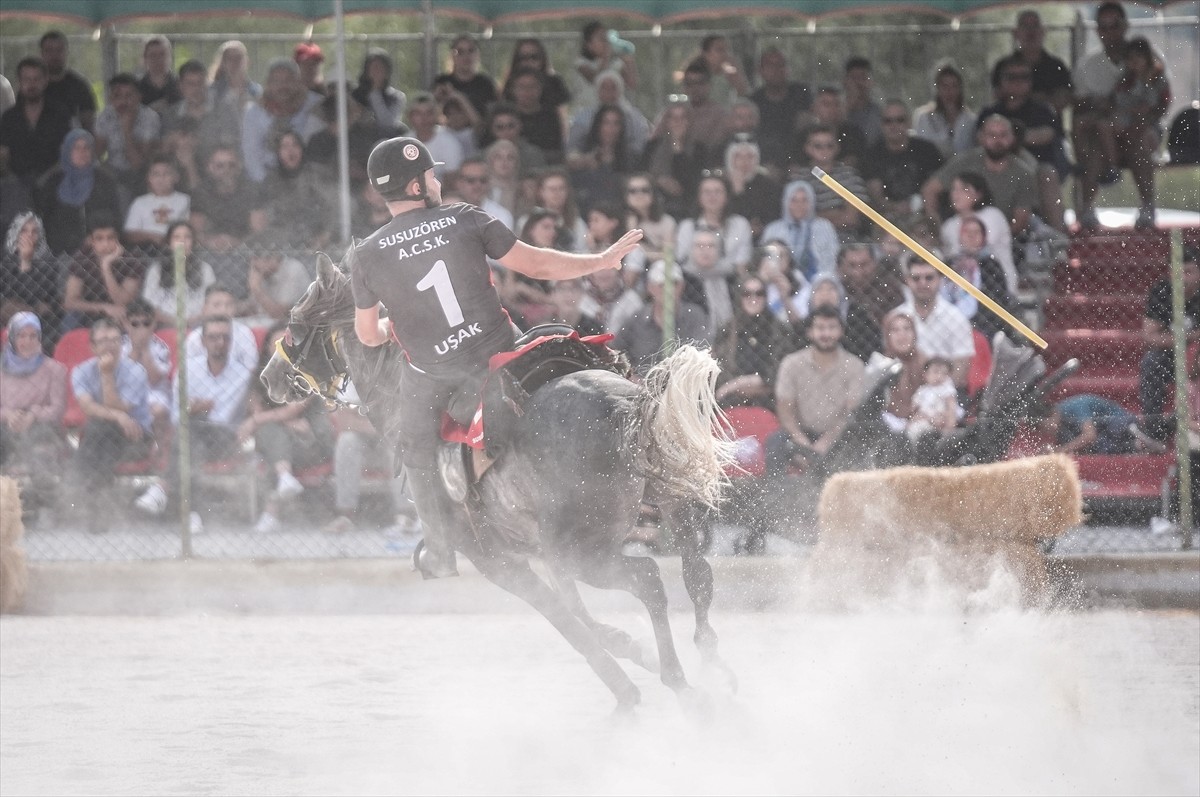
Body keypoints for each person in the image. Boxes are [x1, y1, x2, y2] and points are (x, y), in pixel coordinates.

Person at [351, 136, 644, 579]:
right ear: (415, 187)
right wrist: (600, 260)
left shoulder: (366, 254)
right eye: (430, 176)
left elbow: (367, 335)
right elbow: (536, 265)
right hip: (502, 351)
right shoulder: (464, 217)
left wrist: (394, 325)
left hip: (436, 376)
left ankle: (440, 552)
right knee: (561, 359)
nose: (436, 182)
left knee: (415, 447)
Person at [135, 314, 254, 534]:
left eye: (225, 337)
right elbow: (176, 416)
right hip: (193, 435)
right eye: (213, 337)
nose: (220, 342)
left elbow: (236, 416)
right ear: (203, 341)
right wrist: (193, 409)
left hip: (225, 438)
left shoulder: (244, 374)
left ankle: (163, 489)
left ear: (231, 341)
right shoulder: (188, 370)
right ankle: (193, 515)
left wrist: (197, 412)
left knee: (189, 436)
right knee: (191, 445)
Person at [241, 322, 335, 534]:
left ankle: (271, 512)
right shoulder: (260, 377)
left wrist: (259, 421)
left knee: (270, 441)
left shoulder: (310, 374)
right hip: (284, 441)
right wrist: (281, 422)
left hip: (312, 443)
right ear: (267, 348)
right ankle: (284, 478)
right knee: (271, 437)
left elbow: (291, 410)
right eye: (275, 344)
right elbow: (257, 410)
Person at [69, 316, 153, 533]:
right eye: (103, 341)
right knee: (101, 429)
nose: (110, 346)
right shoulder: (81, 371)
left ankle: (82, 491)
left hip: (135, 436)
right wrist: (117, 416)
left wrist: (106, 374)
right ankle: (99, 502)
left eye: (114, 340)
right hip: (104, 437)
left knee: (98, 429)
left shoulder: (136, 371)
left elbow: (118, 406)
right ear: (92, 347)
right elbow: (87, 407)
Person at [765, 304, 866, 476]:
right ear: (810, 332)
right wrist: (802, 443)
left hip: (839, 436)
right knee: (775, 443)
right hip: (800, 434)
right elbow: (784, 409)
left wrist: (826, 442)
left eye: (832, 327)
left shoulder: (854, 365)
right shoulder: (791, 363)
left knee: (860, 442)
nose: (826, 334)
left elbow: (851, 411)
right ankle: (776, 491)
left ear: (841, 331)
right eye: (820, 328)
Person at [978, 55, 1067, 230]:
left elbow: (1048, 134)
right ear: (1000, 81)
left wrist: (1012, 138)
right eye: (1011, 77)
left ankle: (1058, 238)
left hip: (1035, 174)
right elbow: (979, 139)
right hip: (996, 171)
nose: (1018, 82)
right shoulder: (989, 112)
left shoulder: (1043, 111)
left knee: (1048, 174)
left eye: (1024, 77)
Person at [921, 114, 1038, 238]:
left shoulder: (1024, 174)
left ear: (1012, 138)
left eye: (1003, 135)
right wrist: (936, 229)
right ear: (981, 137)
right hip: (959, 236)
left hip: (1002, 239)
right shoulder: (965, 162)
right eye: (992, 135)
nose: (997, 140)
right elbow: (929, 190)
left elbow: (1020, 221)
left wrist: (988, 240)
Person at [1104, 36, 1172, 230]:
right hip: (1123, 130)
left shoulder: (1158, 79)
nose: (1134, 62)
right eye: (1130, 58)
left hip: (1148, 130)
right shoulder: (1124, 80)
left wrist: (1139, 116)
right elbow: (1117, 104)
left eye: (1138, 57)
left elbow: (1155, 107)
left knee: (1140, 146)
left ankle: (1148, 204)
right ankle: (1111, 168)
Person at [0, 313, 68, 500]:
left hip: (42, 424)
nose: (27, 342)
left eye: (33, 336)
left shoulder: (54, 369)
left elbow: (58, 408)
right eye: (21, 336)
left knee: (40, 438)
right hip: (6, 423)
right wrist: (9, 415)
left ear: (39, 338)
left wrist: (33, 415)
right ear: (12, 338)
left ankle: (45, 500)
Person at [1139, 245, 1200, 442]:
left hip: (1198, 356)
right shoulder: (1162, 291)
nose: (1183, 278)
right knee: (1151, 362)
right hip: (1171, 356)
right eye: (1178, 272)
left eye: (1188, 272)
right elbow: (1150, 337)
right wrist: (1191, 336)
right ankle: (1154, 430)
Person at [712, 275, 799, 410]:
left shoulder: (780, 330)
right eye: (747, 294)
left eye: (759, 293)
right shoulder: (727, 331)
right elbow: (719, 368)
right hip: (731, 400)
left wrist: (739, 383)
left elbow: (782, 371)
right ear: (739, 297)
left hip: (770, 399)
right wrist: (736, 387)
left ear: (766, 297)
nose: (753, 299)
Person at [33, 129, 123, 258]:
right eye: (76, 148)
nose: (82, 152)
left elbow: (115, 218)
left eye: (86, 148)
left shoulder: (105, 181)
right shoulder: (52, 183)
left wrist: (94, 238)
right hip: (58, 253)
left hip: (98, 252)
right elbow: (43, 219)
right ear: (67, 151)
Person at [612, 259, 711, 375]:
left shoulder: (694, 316)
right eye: (662, 285)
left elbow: (703, 353)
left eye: (674, 283)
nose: (669, 289)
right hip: (642, 384)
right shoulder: (637, 320)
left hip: (683, 381)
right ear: (650, 287)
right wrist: (630, 376)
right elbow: (616, 352)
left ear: (682, 286)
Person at [894, 256, 975, 389]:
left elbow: (961, 365)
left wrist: (937, 394)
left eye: (929, 278)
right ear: (907, 280)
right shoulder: (896, 317)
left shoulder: (956, 317)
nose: (922, 283)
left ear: (940, 279)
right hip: (906, 390)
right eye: (916, 278)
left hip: (946, 392)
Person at [862, 99, 944, 230]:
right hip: (888, 219)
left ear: (909, 123)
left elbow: (939, 188)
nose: (894, 125)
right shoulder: (872, 154)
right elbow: (876, 196)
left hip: (924, 216)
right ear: (881, 124)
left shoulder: (927, 150)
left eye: (900, 120)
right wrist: (896, 207)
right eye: (888, 121)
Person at [241, 59, 323, 184]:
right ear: (268, 83)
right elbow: (251, 156)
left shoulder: (315, 104)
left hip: (308, 179)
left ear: (298, 81)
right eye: (277, 81)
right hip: (268, 180)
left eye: (288, 80)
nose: (283, 86)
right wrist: (265, 184)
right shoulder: (254, 112)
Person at [0, 56, 74, 190]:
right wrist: (12, 180)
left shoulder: (60, 114)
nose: (31, 84)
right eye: (27, 79)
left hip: (54, 182)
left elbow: (67, 153)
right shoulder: (9, 118)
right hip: (16, 184)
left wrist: (47, 178)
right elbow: (3, 156)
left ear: (45, 81)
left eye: (36, 79)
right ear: (19, 82)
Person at [60, 215, 143, 333]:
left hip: (121, 312)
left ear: (118, 238)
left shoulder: (131, 259)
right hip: (90, 311)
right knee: (70, 320)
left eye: (110, 238)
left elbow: (121, 301)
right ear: (91, 241)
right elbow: (70, 301)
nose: (105, 244)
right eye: (99, 239)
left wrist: (106, 267)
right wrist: (104, 307)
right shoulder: (83, 257)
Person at [938, 171, 1017, 293]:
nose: (956, 194)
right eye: (954, 189)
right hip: (961, 289)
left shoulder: (992, 215)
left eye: (964, 189)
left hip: (996, 283)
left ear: (978, 194)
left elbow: (977, 248)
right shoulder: (949, 225)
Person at [942, 216, 1015, 342]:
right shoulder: (950, 264)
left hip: (983, 327)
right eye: (967, 232)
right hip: (951, 324)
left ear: (984, 237)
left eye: (976, 232)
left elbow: (998, 302)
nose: (971, 236)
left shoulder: (991, 266)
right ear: (960, 236)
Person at [259, 130, 332, 250]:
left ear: (302, 149)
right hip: (279, 246)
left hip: (317, 244)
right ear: (278, 152)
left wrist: (326, 234)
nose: (291, 150)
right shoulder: (270, 181)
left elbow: (334, 207)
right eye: (285, 146)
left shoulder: (315, 175)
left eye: (295, 145)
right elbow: (263, 218)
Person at [795, 124, 868, 239]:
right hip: (808, 240)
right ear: (807, 148)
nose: (824, 150)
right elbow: (797, 218)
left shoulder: (850, 175)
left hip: (845, 242)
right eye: (818, 146)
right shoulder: (798, 178)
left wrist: (815, 216)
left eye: (829, 145)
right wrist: (837, 213)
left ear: (837, 147)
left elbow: (851, 219)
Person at [675, 171, 753, 278]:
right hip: (692, 281)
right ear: (699, 198)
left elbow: (742, 265)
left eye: (718, 192)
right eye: (707, 192)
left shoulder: (740, 225)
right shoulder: (687, 227)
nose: (712, 196)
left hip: (729, 281)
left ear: (727, 197)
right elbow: (681, 260)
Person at [638, 99, 708, 220]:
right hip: (656, 206)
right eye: (673, 118)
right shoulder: (653, 146)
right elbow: (641, 173)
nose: (677, 122)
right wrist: (659, 181)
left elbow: (694, 180)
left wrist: (677, 148)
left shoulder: (699, 149)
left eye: (682, 118)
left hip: (688, 208)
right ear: (667, 121)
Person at [760, 181, 839, 282]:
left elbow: (831, 261)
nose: (799, 205)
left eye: (804, 200)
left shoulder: (824, 227)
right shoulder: (773, 229)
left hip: (819, 282)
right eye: (794, 200)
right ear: (786, 202)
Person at [750, 47, 810, 179]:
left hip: (799, 163)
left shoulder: (801, 94)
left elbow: (806, 131)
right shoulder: (754, 100)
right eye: (770, 65)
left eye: (780, 65)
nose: (776, 70)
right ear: (760, 70)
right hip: (765, 163)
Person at [565, 69, 649, 164]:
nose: (608, 92)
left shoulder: (634, 117)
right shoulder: (584, 117)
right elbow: (572, 148)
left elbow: (640, 146)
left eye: (613, 88)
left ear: (620, 90)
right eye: (604, 88)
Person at [141, 221, 215, 327]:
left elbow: (213, 302)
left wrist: (193, 321)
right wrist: (175, 322)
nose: (182, 241)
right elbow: (148, 305)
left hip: (198, 325)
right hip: (164, 326)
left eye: (187, 237)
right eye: (177, 237)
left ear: (193, 242)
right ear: (169, 243)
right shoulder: (156, 270)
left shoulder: (205, 269)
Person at [1038, 393, 1164, 455]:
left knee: (1114, 430)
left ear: (1052, 414)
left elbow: (1090, 435)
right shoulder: (1061, 421)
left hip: (1119, 421)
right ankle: (1136, 445)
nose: (1049, 431)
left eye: (1047, 427)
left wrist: (1061, 450)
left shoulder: (1075, 406)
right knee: (1102, 447)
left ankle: (1140, 435)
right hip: (1103, 434)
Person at [0, 212, 61, 338]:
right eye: (24, 231)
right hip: (10, 315)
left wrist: (26, 262)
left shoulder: (49, 262)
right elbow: (9, 295)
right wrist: (24, 261)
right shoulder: (6, 262)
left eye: (34, 231)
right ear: (16, 234)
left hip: (43, 320)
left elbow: (39, 296)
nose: (29, 235)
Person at [1002, 9, 1073, 115]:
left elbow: (1064, 100)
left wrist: (1022, 98)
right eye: (1025, 26)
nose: (1031, 31)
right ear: (1015, 33)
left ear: (1043, 31)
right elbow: (999, 97)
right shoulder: (1003, 66)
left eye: (1035, 25)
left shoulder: (1057, 66)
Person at [120, 297, 172, 441]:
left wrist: (144, 349)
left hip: (154, 393)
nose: (141, 328)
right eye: (135, 324)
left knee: (159, 410)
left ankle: (157, 445)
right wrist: (135, 349)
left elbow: (154, 379)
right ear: (126, 323)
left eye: (146, 323)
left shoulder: (160, 347)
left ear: (154, 323)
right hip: (125, 393)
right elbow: (122, 378)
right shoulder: (120, 345)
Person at [241, 232, 311, 325]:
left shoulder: (293, 270)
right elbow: (252, 308)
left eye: (256, 258)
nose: (253, 264)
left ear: (274, 258)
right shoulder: (260, 272)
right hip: (265, 322)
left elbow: (279, 314)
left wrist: (256, 289)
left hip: (295, 325)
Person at [913, 62, 978, 160]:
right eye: (945, 86)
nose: (949, 91)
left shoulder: (970, 120)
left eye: (954, 86)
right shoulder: (924, 118)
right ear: (937, 89)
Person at [184, 284, 258, 370]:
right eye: (217, 305)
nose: (223, 310)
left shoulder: (244, 333)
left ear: (235, 308)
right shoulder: (195, 337)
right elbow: (186, 369)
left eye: (228, 305)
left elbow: (251, 367)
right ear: (205, 308)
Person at [123, 155, 190, 247]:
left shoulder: (185, 200)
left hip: (178, 248)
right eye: (156, 174)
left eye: (166, 173)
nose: (161, 178)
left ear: (176, 177)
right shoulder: (139, 202)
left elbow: (191, 230)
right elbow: (130, 234)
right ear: (148, 178)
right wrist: (155, 237)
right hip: (147, 250)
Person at [724, 137, 782, 240]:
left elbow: (771, 217)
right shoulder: (721, 184)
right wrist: (737, 192)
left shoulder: (767, 185)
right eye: (738, 156)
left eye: (749, 157)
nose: (744, 162)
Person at [39, 31, 97, 131]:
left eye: (59, 50)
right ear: (41, 54)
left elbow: (89, 122)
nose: (54, 55)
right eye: (49, 50)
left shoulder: (79, 86)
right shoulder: (34, 87)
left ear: (66, 52)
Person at [573, 21, 638, 108]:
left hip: (614, 109)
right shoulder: (582, 63)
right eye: (601, 39)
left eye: (606, 39)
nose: (605, 43)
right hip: (590, 109)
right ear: (589, 44)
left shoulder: (615, 63)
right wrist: (605, 58)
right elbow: (595, 80)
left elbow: (631, 84)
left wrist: (629, 62)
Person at [432, 34, 498, 119]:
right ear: (452, 56)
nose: (466, 56)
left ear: (478, 55)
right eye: (460, 52)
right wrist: (436, 99)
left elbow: (490, 119)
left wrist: (459, 98)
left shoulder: (486, 84)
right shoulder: (442, 82)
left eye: (471, 51)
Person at [406, 91, 465, 180]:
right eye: (418, 113)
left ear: (437, 115)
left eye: (429, 113)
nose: (424, 118)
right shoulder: (403, 143)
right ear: (410, 117)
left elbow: (452, 178)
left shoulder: (449, 141)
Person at [622, 172, 675, 266]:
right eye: (633, 191)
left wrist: (642, 251)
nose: (639, 194)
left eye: (645, 190)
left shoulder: (666, 221)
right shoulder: (616, 220)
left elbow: (668, 256)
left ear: (653, 194)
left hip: (657, 269)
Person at [208, 40, 261, 131]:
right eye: (230, 58)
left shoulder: (256, 91)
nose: (235, 62)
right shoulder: (213, 92)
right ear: (223, 63)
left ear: (247, 62)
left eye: (238, 57)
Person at [905, 356, 961, 441]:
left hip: (939, 422)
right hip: (923, 420)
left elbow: (951, 410)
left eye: (944, 373)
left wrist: (947, 427)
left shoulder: (947, 390)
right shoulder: (922, 390)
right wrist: (916, 418)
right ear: (925, 374)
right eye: (935, 372)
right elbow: (913, 410)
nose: (939, 376)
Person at [352, 49, 407, 131]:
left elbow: (388, 123)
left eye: (380, 67)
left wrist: (375, 93)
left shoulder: (396, 97)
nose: (376, 71)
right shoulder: (355, 95)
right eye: (373, 67)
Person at [453, 156, 513, 230]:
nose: (477, 185)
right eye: (471, 180)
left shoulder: (501, 215)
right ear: (459, 183)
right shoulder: (447, 212)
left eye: (483, 180)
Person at [842, 56, 883, 149]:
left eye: (863, 78)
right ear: (845, 81)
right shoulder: (836, 109)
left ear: (871, 82)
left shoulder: (878, 113)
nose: (859, 83)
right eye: (854, 78)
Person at [136, 36, 181, 112]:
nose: (158, 59)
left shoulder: (181, 86)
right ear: (145, 59)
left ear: (170, 57)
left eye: (162, 54)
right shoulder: (137, 89)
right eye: (153, 55)